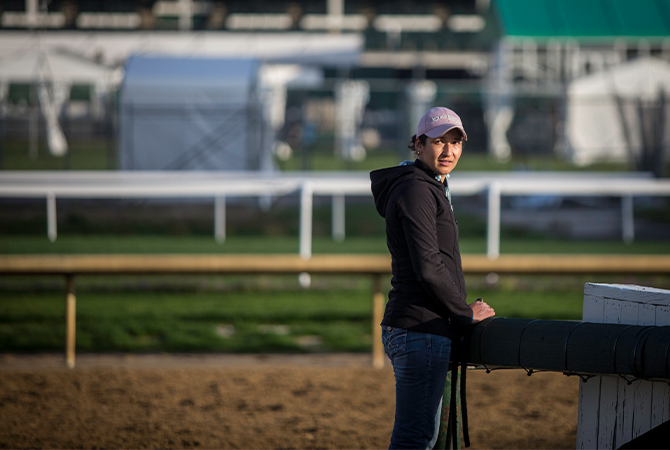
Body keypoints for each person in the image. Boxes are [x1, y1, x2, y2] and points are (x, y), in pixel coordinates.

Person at [370, 107, 495, 449]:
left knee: (423, 436)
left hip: (420, 328)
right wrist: (464, 313)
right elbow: (428, 265)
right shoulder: (417, 190)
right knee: (416, 437)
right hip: (421, 329)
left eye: (456, 143)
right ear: (419, 144)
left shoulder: (430, 186)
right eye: (439, 141)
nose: (449, 151)